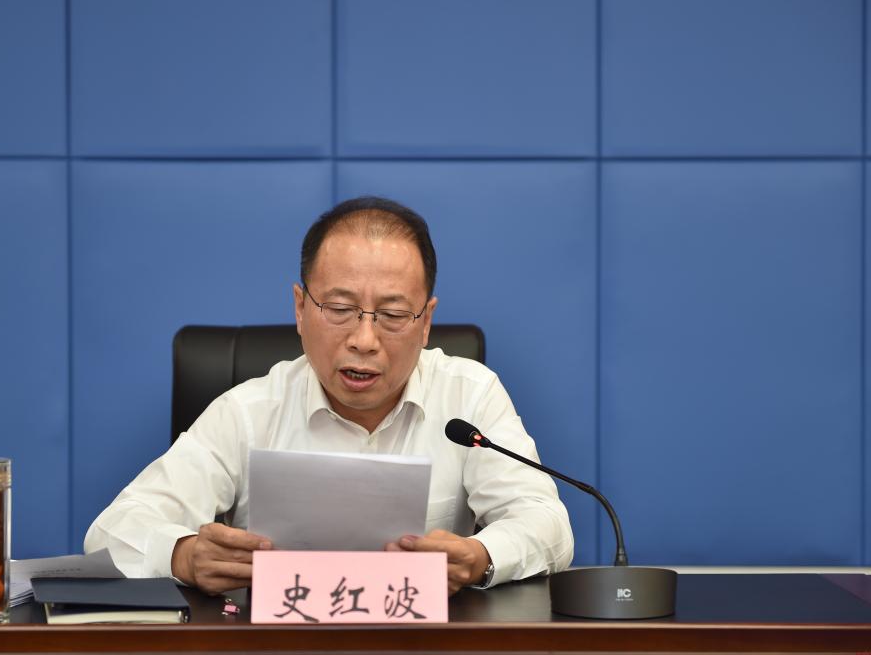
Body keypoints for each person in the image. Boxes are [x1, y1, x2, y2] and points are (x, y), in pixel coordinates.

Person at [85, 196, 574, 595]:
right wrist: (185, 555)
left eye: (393, 315)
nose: (364, 339)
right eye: (339, 308)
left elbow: (547, 524)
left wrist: (480, 557)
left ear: (425, 322)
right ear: (300, 309)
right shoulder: (247, 412)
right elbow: (111, 533)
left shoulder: (469, 395)